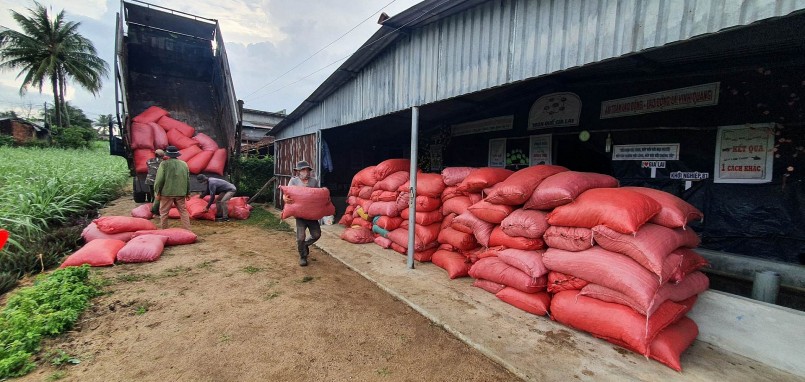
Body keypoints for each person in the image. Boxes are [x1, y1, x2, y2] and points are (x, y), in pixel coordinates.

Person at [283, 160, 321, 267]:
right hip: (300, 215)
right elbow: (286, 194)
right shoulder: (293, 181)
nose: (306, 172)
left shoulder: (314, 181)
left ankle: (304, 245)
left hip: (312, 214)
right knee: (300, 237)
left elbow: (318, 195)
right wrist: (285, 198)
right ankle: (303, 256)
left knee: (316, 235)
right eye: (303, 170)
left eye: (308, 170)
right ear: (298, 171)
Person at [153, 146, 191, 230]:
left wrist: (157, 192)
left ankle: (165, 231)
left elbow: (159, 180)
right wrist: (188, 192)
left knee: (164, 213)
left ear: (168, 154)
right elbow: (187, 179)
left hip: (166, 193)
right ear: (177, 154)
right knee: (183, 212)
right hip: (180, 193)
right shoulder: (184, 164)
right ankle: (188, 231)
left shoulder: (164, 164)